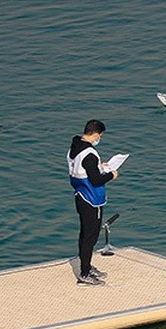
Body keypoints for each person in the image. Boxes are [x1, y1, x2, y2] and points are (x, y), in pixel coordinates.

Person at [68, 119, 118, 286]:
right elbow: (96, 180)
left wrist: (99, 166)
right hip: (91, 199)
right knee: (90, 236)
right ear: (95, 134)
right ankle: (84, 273)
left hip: (80, 196)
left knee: (85, 234)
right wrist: (111, 175)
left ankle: (86, 266)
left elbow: (84, 170)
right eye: (100, 136)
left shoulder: (75, 147)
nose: (100, 139)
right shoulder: (89, 154)